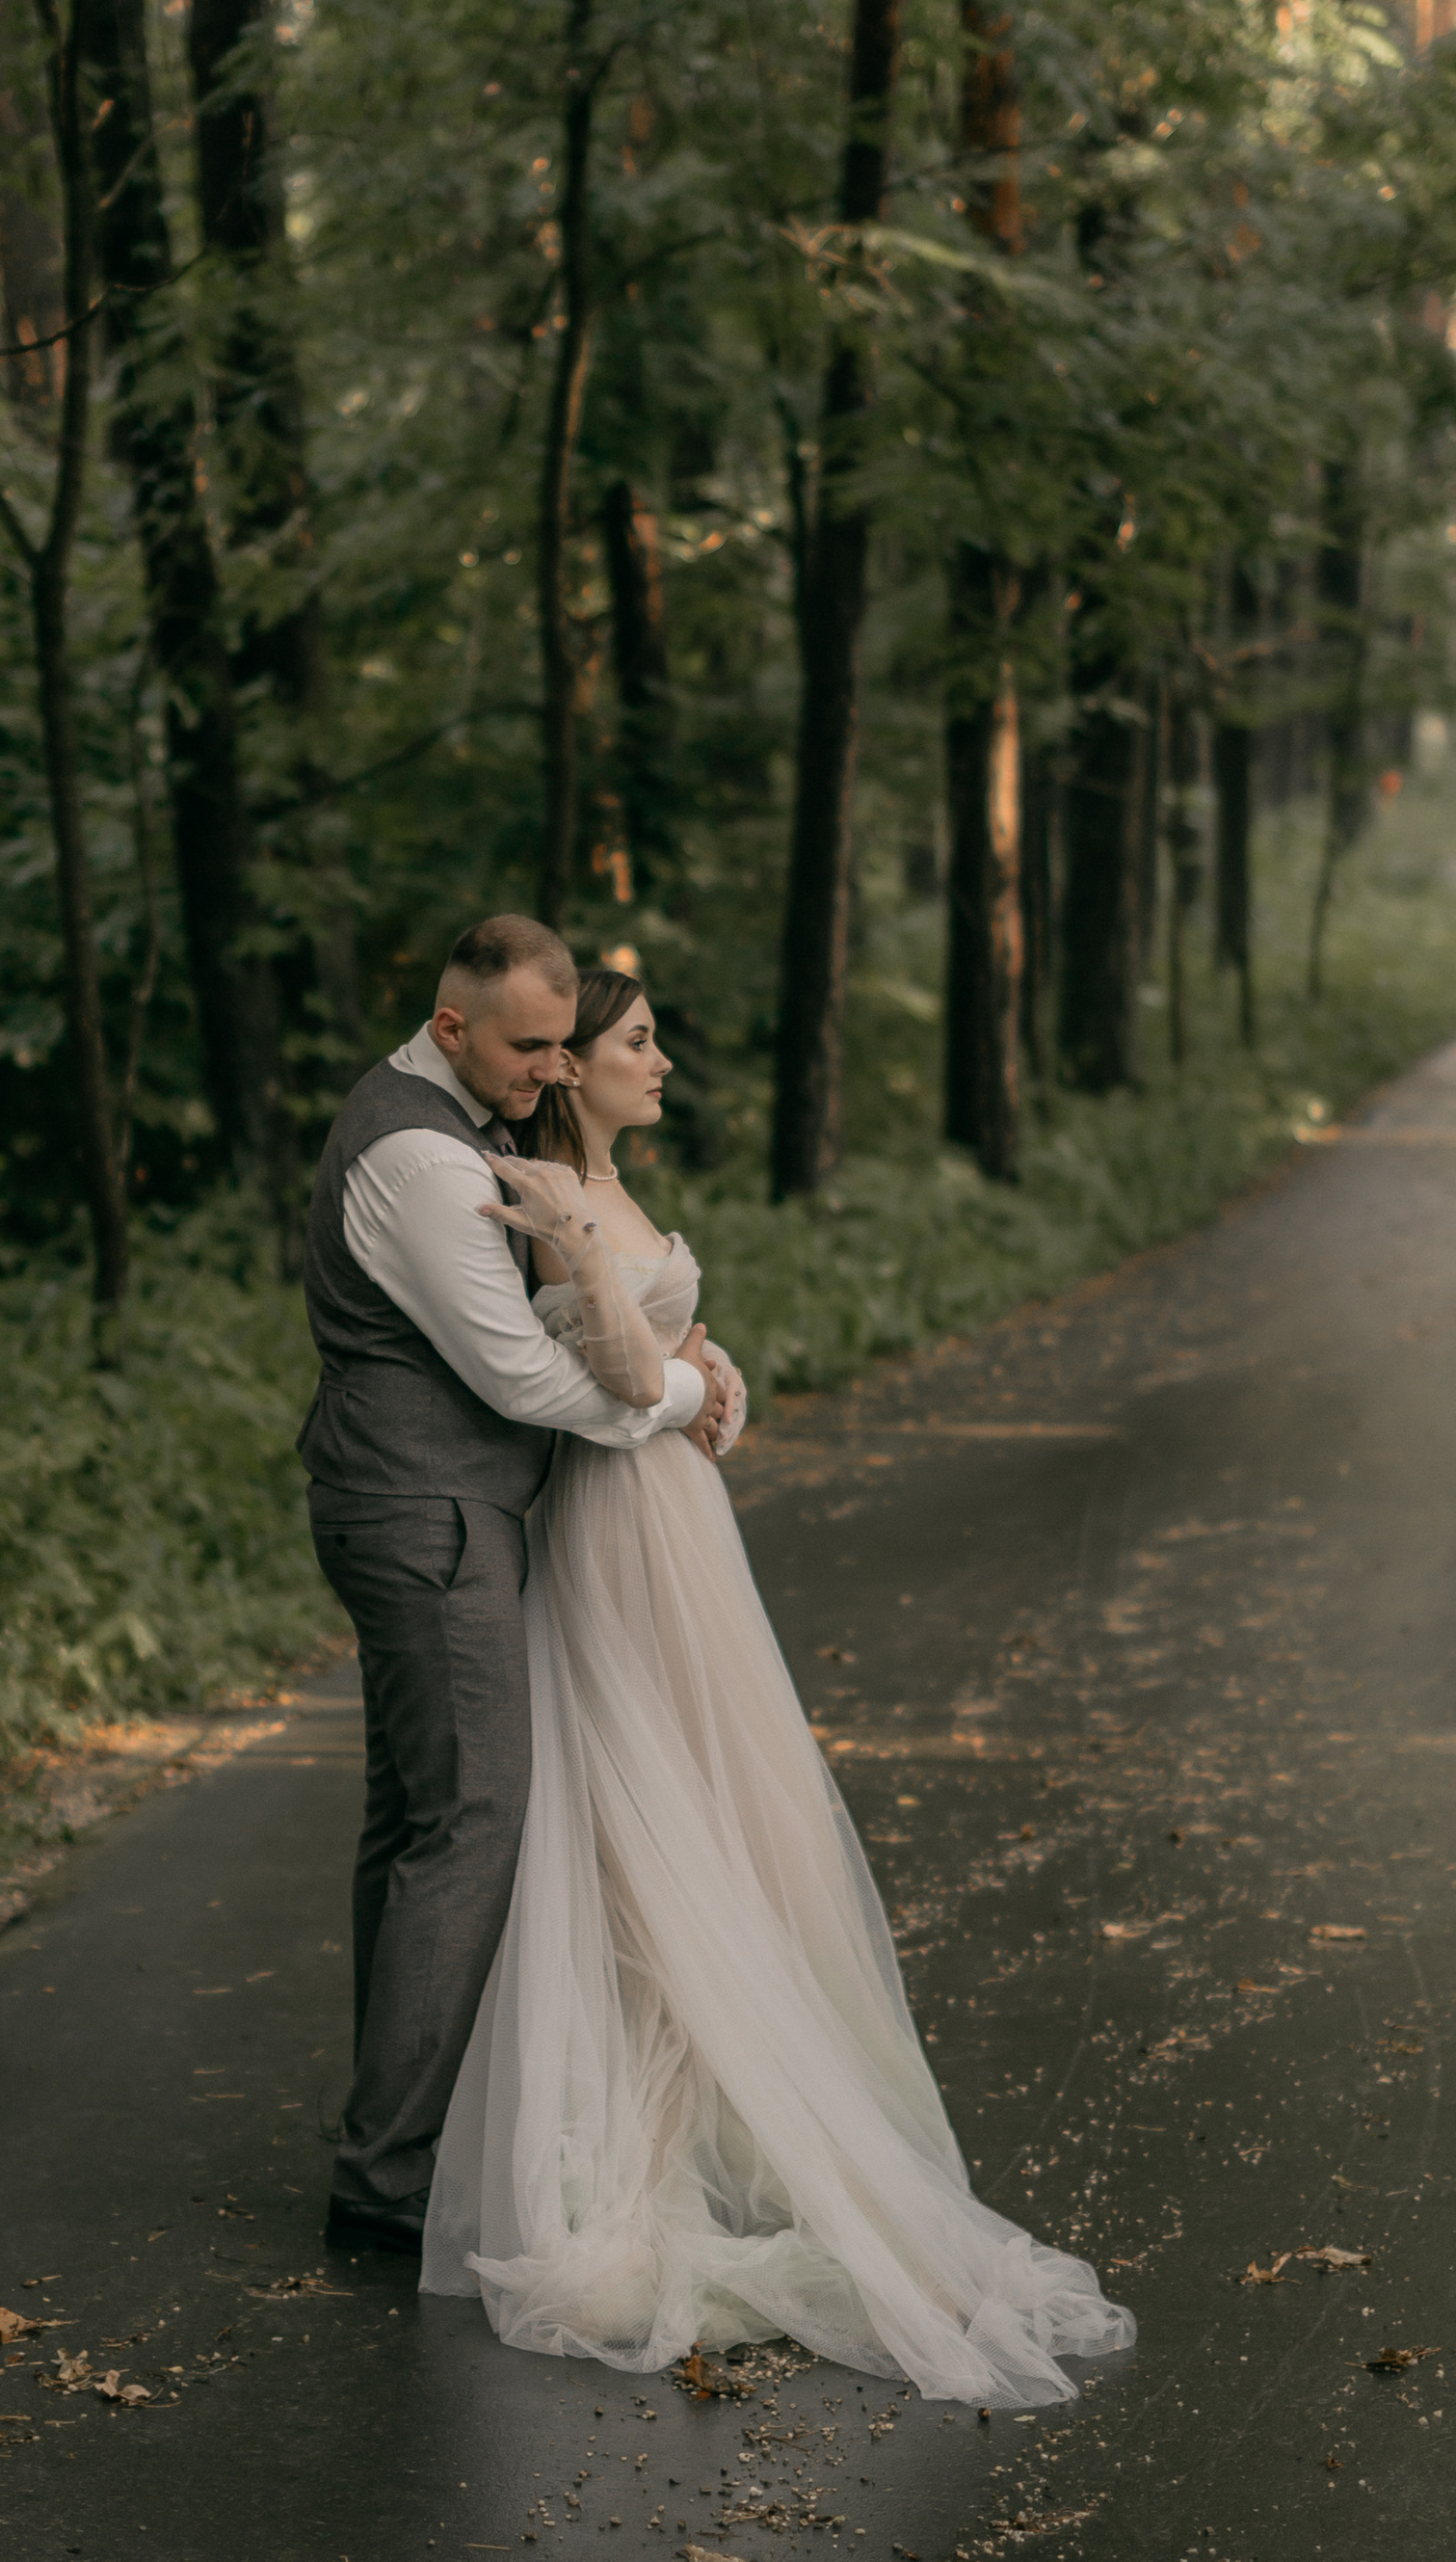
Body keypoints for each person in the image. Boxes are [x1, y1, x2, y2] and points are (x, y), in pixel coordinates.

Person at [420, 967, 1134, 2407]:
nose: (659, 1061)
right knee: (653, 1846)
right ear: (570, 1074)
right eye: (635, 1043)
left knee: (733, 1838)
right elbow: (617, 1378)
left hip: (681, 1532)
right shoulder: (548, 1199)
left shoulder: (603, 1197)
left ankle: (681, 2138)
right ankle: (627, 2183)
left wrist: (710, 1366)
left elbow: (660, 1364)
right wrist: (649, 1334)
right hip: (618, 1544)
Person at [299, 915, 723, 2254]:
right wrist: (682, 1393)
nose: (551, 1068)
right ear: (450, 1029)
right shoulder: (424, 1156)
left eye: (561, 1045)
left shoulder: (451, 1126)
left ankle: (392, 2137)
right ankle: (387, 2177)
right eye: (530, 1046)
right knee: (474, 1817)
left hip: (422, 1502)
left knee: (414, 1819)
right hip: (428, 1513)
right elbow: (516, 1378)